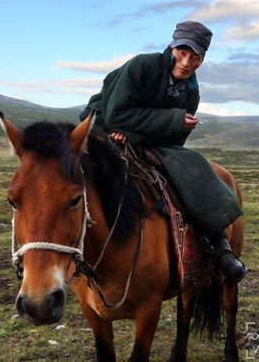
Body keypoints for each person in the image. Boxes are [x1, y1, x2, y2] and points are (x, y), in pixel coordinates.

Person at [80, 21, 246, 285]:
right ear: (171, 46)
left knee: (194, 165)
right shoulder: (142, 66)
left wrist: (159, 128)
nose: (186, 62)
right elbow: (116, 114)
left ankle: (219, 243)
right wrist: (172, 119)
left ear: (202, 60)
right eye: (182, 52)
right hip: (104, 128)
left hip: (145, 139)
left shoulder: (192, 91)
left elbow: (177, 139)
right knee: (78, 177)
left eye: (195, 57)